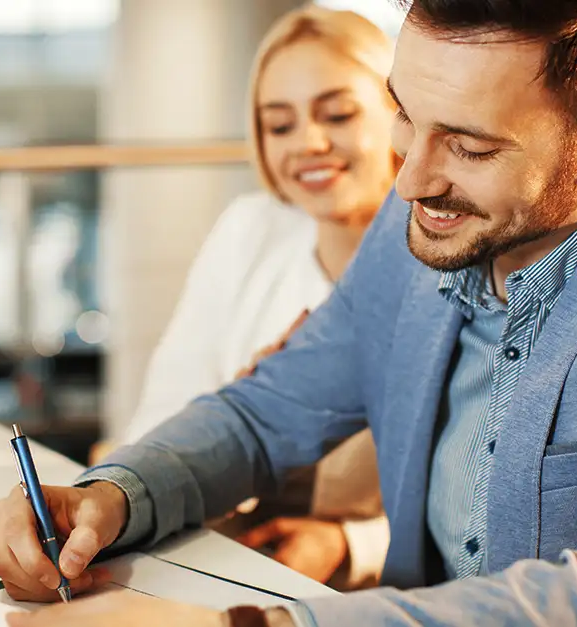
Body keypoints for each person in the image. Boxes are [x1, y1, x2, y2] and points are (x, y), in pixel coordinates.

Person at [0, 0, 577, 626]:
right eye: (404, 114)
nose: (406, 180)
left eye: (469, 144)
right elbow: (263, 414)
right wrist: (116, 494)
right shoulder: (423, 227)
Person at [104, 5, 399, 587]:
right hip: (219, 553)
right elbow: (164, 413)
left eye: (337, 114)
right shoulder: (251, 230)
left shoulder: (447, 258)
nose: (309, 143)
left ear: (401, 113)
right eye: (279, 124)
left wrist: (349, 545)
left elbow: (474, 501)